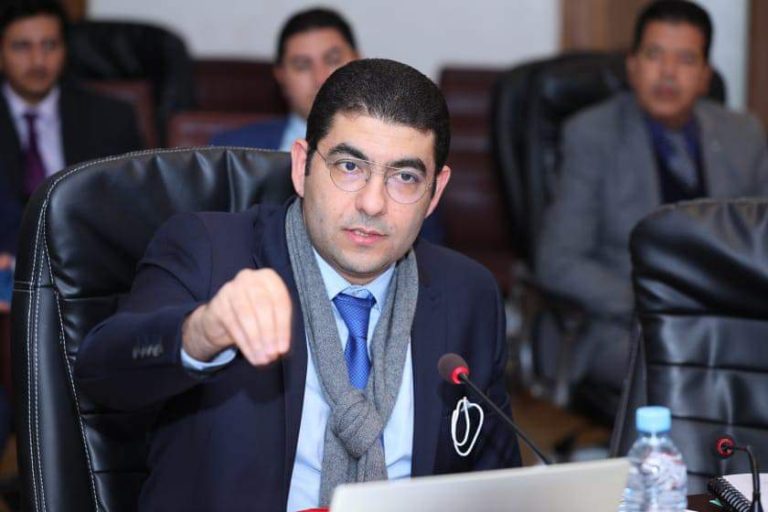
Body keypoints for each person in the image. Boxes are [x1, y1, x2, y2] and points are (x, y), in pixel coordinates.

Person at [76, 58, 521, 511]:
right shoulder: (209, 253)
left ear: (436, 192)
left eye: (405, 177)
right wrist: (199, 333)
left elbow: (497, 487)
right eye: (349, 166)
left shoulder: (469, 294)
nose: (372, 203)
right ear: (302, 165)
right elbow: (102, 373)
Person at [535, 0, 768, 398]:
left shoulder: (742, 134)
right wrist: (656, 301)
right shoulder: (591, 135)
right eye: (654, 55)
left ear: (705, 76)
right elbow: (559, 262)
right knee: (700, 380)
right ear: (632, 65)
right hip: (627, 326)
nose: (668, 72)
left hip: (729, 321)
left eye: (685, 60)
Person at [0, 1, 143, 260]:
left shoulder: (111, 118)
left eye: (50, 45)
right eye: (22, 46)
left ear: (66, 50)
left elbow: (134, 211)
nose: (38, 61)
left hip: (86, 267)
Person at [211, 7, 358, 152]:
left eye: (333, 60)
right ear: (280, 76)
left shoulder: (373, 140)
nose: (320, 79)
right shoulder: (229, 151)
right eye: (302, 66)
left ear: (358, 61)